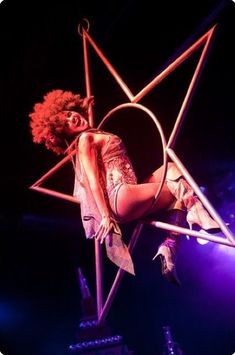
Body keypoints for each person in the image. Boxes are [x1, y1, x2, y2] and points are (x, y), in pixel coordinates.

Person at [29, 89, 220, 286]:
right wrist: (105, 215)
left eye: (70, 113)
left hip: (129, 190)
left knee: (171, 170)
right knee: (175, 188)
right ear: (63, 133)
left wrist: (85, 108)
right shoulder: (86, 140)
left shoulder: (93, 134)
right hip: (120, 196)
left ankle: (170, 245)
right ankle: (197, 213)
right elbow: (93, 181)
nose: (72, 118)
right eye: (66, 122)